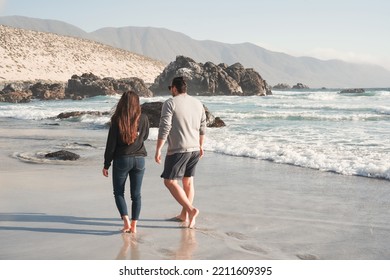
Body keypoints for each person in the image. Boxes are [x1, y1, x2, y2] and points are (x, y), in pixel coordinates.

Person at [155, 76, 206, 228]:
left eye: (170, 88)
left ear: (174, 88)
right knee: (188, 182)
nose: (170, 90)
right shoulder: (198, 103)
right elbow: (203, 127)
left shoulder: (170, 103)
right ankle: (184, 215)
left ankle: (190, 210)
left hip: (179, 149)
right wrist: (201, 145)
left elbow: (165, 127)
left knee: (169, 181)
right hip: (195, 148)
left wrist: (158, 149)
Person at [103, 90, 149, 234]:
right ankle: (134, 226)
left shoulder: (117, 119)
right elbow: (145, 136)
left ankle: (126, 222)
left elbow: (111, 144)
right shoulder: (144, 118)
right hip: (140, 160)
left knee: (118, 192)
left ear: (122, 103)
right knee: (136, 195)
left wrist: (106, 164)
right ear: (137, 103)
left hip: (122, 159)